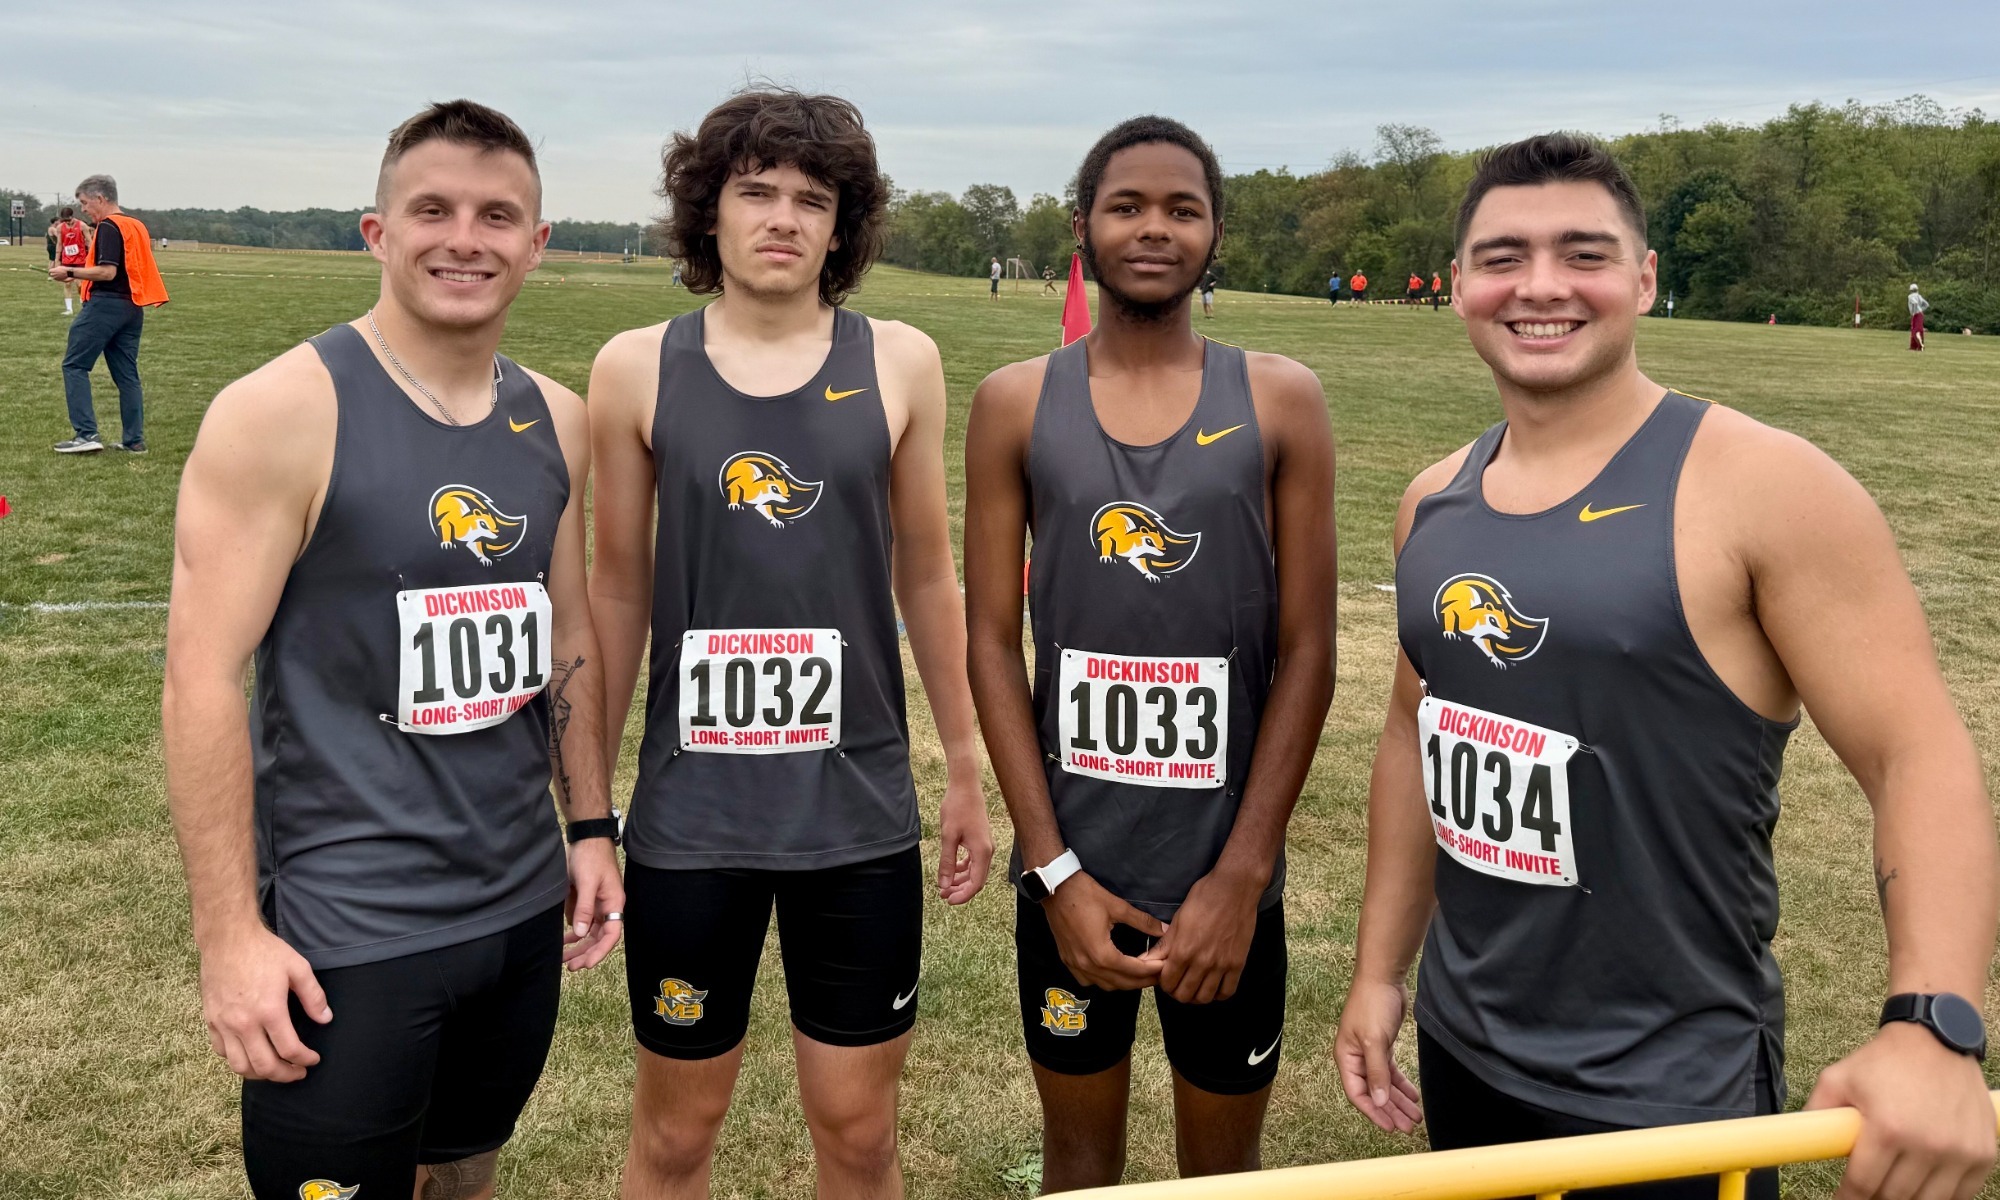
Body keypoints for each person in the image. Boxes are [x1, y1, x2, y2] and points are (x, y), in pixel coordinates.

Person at [1334, 132, 1997, 1200]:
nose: (1539, 285)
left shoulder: (1765, 486)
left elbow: (1912, 753)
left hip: (1667, 1099)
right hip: (1466, 1052)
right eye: (1501, 256)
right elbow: (1414, 732)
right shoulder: (1431, 501)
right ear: (1455, 283)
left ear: (1642, 279)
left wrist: (1931, 1022)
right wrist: (1378, 973)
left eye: (1582, 253)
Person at [161, 99, 624, 1200]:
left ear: (536, 244)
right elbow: (199, 679)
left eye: (497, 216)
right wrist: (229, 936)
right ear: (377, 232)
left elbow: (565, 633)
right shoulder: (279, 411)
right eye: (432, 210)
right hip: (349, 930)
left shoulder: (555, 417)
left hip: (517, 910)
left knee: (466, 1177)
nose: (464, 238)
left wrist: (593, 826)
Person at [587, 88, 993, 1199]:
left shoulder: (900, 360)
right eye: (754, 191)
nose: (781, 217)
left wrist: (963, 768)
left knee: (858, 1136)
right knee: (674, 1136)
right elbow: (615, 595)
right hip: (691, 821)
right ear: (706, 211)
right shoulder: (633, 366)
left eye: (810, 199)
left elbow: (926, 573)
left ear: (841, 224)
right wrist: (581, 804)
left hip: (853, 819)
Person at [964, 115, 1337, 1192]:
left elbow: (1307, 648)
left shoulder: (1280, 398)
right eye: (1127, 205)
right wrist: (1053, 870)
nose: (1154, 228)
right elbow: (991, 642)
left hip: (1224, 887)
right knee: (1079, 1163)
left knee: (1222, 1176)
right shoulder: (1013, 402)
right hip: (1075, 880)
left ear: (1215, 231)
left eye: (1182, 208)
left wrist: (1242, 872)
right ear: (1082, 225)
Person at [49, 176, 166, 454]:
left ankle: (86, 434)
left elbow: (107, 272)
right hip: (132, 307)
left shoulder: (109, 227)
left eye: (85, 203)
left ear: (100, 198)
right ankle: (134, 441)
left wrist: (69, 271)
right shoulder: (136, 225)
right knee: (127, 376)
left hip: (105, 304)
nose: (84, 210)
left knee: (74, 365)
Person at [54, 206, 90, 315]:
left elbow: (89, 241)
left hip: (80, 259)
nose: (67, 223)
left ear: (72, 216)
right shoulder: (60, 228)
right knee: (67, 283)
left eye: (69, 220)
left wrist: (91, 256)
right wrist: (57, 260)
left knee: (80, 284)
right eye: (65, 221)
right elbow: (59, 243)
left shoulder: (82, 226)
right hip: (67, 259)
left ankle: (83, 305)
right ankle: (69, 309)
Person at [1908, 283, 1929, 351]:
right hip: (1920, 314)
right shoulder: (1919, 296)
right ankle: (1913, 346)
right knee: (1918, 330)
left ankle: (1920, 346)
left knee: (1915, 331)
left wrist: (1914, 312)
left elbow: (1915, 303)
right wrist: (1920, 309)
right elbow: (1926, 304)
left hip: (1916, 315)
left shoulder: (1910, 296)